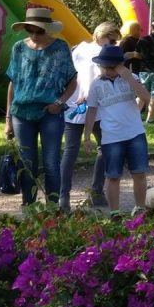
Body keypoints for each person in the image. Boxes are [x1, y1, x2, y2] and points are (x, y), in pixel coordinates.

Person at [5, 8, 77, 208]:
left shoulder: (61, 48)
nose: (34, 35)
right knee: (27, 165)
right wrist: (7, 120)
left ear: (48, 30)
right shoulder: (18, 48)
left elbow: (73, 80)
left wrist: (60, 103)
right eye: (30, 30)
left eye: (39, 31)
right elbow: (13, 83)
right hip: (22, 113)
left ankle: (53, 208)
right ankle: (29, 209)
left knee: (51, 162)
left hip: (50, 113)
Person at [83, 45, 151, 214]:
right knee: (113, 176)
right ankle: (115, 212)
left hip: (135, 133)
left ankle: (140, 208)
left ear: (121, 65)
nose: (107, 70)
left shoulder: (132, 77)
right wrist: (86, 137)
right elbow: (91, 110)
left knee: (139, 173)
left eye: (111, 67)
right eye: (104, 66)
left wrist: (128, 77)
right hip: (111, 137)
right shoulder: (96, 84)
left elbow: (146, 98)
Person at [62, 22, 119, 211]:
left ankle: (65, 195)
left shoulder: (79, 48)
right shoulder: (99, 52)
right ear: (102, 36)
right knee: (104, 147)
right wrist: (86, 93)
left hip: (76, 105)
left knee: (72, 150)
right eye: (111, 40)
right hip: (89, 105)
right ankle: (94, 191)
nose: (113, 44)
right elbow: (90, 76)